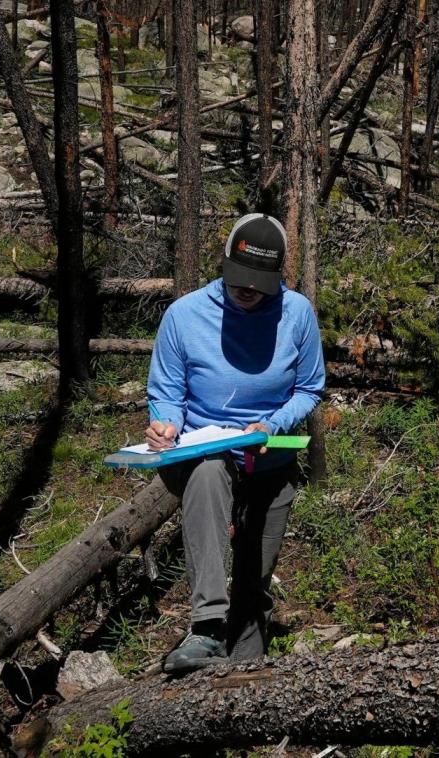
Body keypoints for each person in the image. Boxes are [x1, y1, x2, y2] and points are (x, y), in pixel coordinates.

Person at [145, 213, 325, 673]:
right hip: (204, 450)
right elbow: (167, 391)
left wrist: (272, 425)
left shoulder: (297, 313)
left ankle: (244, 670)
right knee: (207, 474)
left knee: (254, 577)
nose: (246, 290)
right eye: (238, 279)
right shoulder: (184, 315)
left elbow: (308, 388)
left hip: (271, 455)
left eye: (259, 283)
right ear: (224, 264)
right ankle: (206, 626)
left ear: (278, 276)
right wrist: (165, 424)